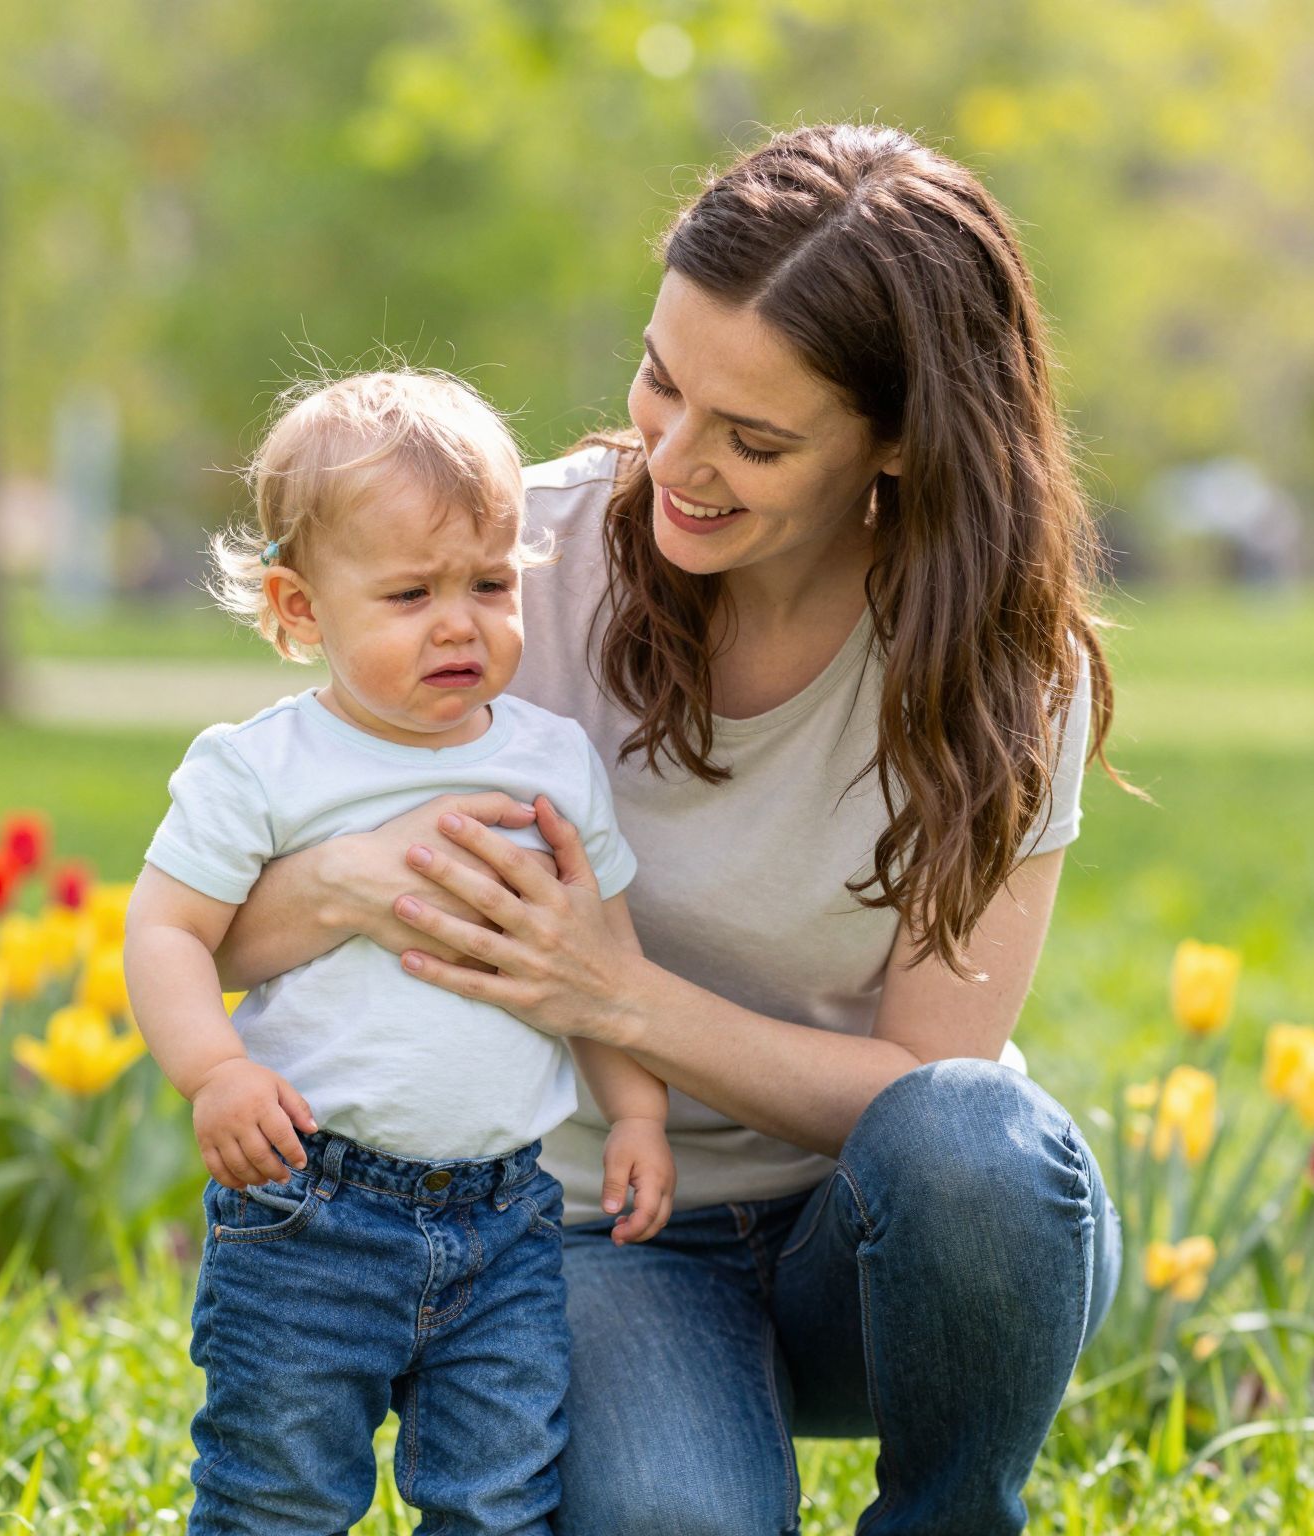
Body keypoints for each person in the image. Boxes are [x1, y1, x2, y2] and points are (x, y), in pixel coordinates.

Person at [215, 124, 1130, 1535]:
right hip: (602, 1236)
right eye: (662, 379)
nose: (675, 458)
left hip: (881, 1252)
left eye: (753, 438)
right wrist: (345, 880)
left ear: (896, 443)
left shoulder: (1007, 665)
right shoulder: (522, 573)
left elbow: (921, 1090)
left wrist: (617, 997)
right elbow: (221, 931)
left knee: (977, 1142)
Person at [124, 370, 675, 1534]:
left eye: (487, 582)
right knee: (275, 1493)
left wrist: (635, 1113)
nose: (458, 622)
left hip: (508, 1215)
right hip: (309, 1211)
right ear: (299, 608)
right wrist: (215, 1071)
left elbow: (602, 957)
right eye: (409, 593)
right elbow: (168, 930)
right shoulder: (263, 769)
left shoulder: (550, 762)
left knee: (495, 1498)